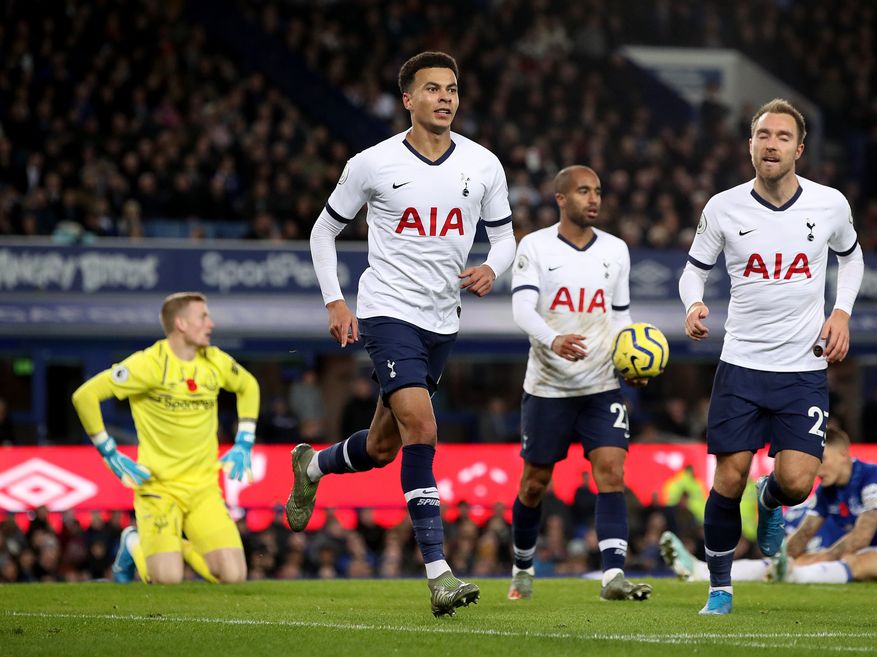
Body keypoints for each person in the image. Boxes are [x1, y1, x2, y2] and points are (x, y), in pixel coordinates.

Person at [286, 51, 515, 617]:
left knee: (386, 446)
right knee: (422, 425)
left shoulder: (484, 165)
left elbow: (507, 238)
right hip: (388, 311)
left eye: (453, 89)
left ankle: (311, 467)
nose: (445, 98)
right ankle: (439, 573)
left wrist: (493, 267)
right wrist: (336, 300)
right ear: (408, 100)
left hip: (443, 319)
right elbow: (322, 233)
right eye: (432, 88)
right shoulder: (371, 163)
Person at [678, 98, 865, 614]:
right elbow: (693, 269)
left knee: (796, 482)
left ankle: (770, 500)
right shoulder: (723, 207)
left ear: (799, 149)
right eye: (763, 134)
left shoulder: (829, 204)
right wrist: (693, 302)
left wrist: (842, 312)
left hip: (803, 368)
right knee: (728, 475)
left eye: (783, 136)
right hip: (741, 364)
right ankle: (720, 587)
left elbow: (852, 259)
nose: (771, 143)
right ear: (751, 145)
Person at [506, 165, 651, 602]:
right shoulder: (534, 246)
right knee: (534, 483)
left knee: (611, 472)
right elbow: (522, 310)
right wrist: (554, 339)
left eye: (598, 192)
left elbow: (620, 316)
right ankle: (523, 567)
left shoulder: (617, 250)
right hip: (548, 388)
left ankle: (613, 577)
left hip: (601, 385)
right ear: (561, 199)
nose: (594, 199)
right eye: (584, 191)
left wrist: (630, 358)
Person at [71, 291, 259, 584]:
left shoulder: (214, 361)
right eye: (203, 317)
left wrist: (244, 439)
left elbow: (248, 385)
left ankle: (175, 548)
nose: (210, 324)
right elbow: (85, 396)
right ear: (181, 324)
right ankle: (133, 542)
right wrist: (107, 450)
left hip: (203, 488)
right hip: (158, 488)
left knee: (233, 576)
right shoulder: (149, 364)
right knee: (167, 581)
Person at [772, 426, 877, 583]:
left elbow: (861, 537)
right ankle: (781, 572)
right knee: (831, 557)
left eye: (823, 459)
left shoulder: (874, 478)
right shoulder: (827, 490)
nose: (816, 469)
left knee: (852, 562)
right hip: (864, 552)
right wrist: (781, 560)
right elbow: (805, 533)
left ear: (843, 453)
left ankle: (797, 577)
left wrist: (819, 559)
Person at [659, 495, 845, 582]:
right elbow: (789, 542)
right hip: (813, 557)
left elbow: (860, 539)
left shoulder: (865, 485)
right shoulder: (808, 506)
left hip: (851, 558)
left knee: (861, 560)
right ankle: (699, 570)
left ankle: (790, 572)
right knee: (770, 564)